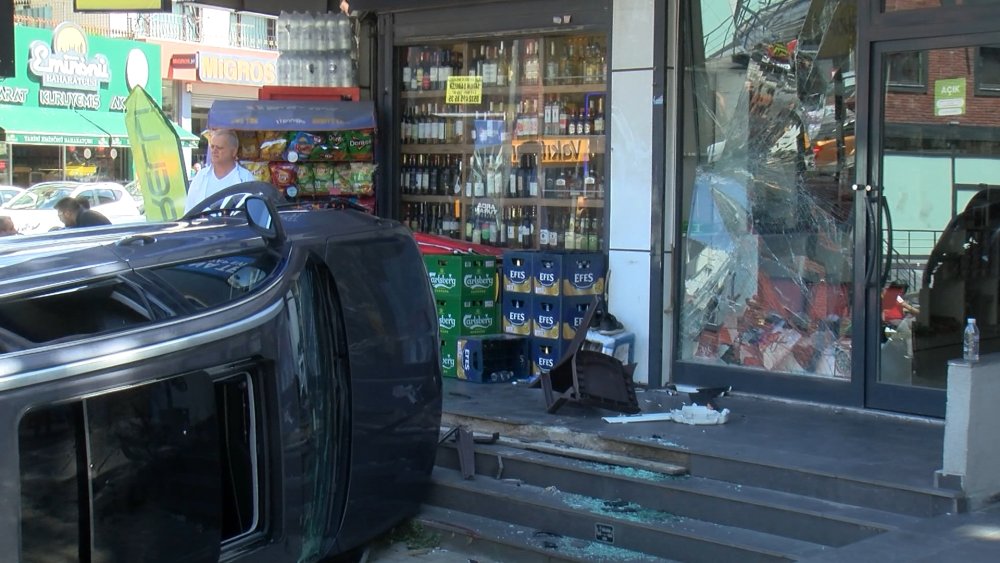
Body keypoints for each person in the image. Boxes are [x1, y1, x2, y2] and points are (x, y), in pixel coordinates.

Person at [184, 130, 254, 213]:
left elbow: (252, 212)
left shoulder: (245, 178)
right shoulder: (201, 176)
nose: (214, 151)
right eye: (212, 147)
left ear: (234, 151)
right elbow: (189, 211)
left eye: (219, 148)